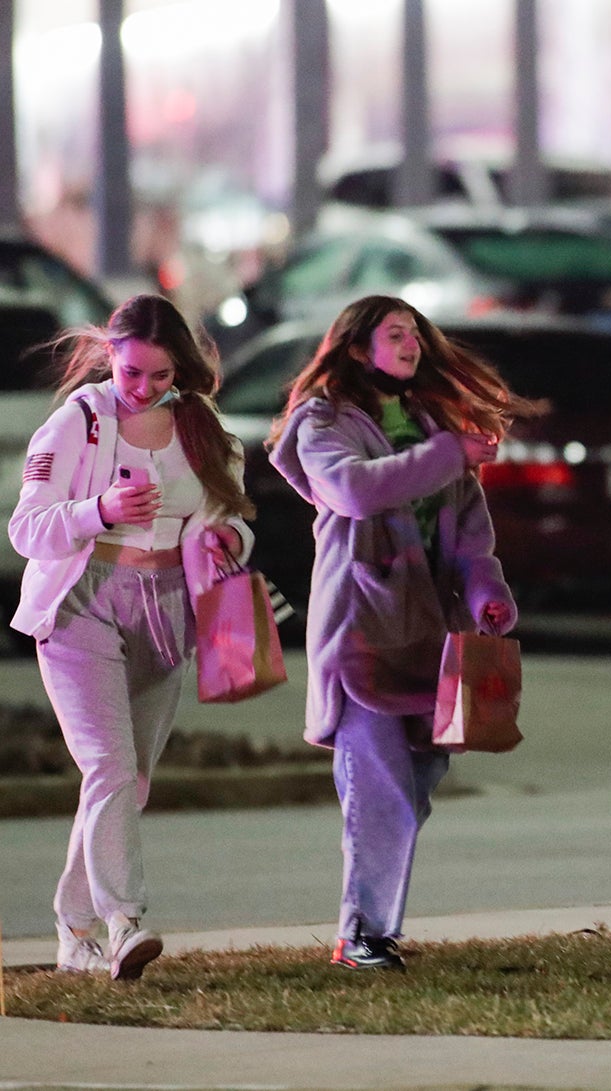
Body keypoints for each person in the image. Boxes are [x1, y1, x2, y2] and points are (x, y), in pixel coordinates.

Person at [267, 295, 521, 972]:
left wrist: (487, 594)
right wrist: (447, 454)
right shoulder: (323, 422)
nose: (411, 344)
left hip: (433, 634)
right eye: (395, 334)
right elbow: (353, 490)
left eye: (415, 333)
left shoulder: (435, 421)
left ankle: (371, 922)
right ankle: (364, 934)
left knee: (417, 778)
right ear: (356, 348)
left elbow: (470, 538)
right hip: (363, 626)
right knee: (377, 783)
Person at [9, 294, 256, 980]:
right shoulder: (78, 422)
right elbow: (25, 529)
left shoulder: (198, 425)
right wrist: (98, 510)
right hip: (82, 605)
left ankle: (74, 926)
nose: (143, 387)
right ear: (110, 357)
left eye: (158, 374)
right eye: (131, 373)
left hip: (166, 609)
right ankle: (124, 923)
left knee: (129, 778)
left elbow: (233, 513)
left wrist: (230, 538)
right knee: (109, 767)